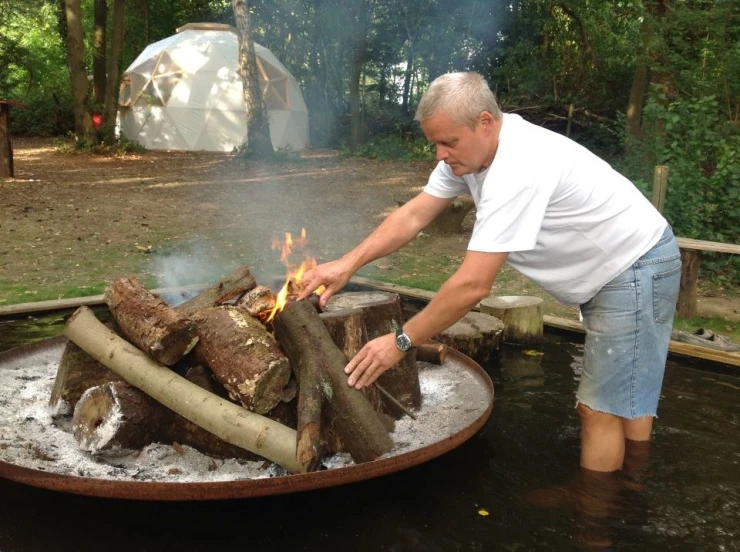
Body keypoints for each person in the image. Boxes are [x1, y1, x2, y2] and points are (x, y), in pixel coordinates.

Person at [298, 71, 681, 472]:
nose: (440, 154)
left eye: (448, 142)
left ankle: (597, 521)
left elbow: (472, 285)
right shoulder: (473, 153)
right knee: (628, 399)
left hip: (634, 267)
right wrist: (346, 264)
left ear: (484, 121)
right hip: (622, 267)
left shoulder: (518, 168)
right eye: (435, 143)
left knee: (599, 410)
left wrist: (401, 341)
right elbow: (413, 216)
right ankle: (633, 489)